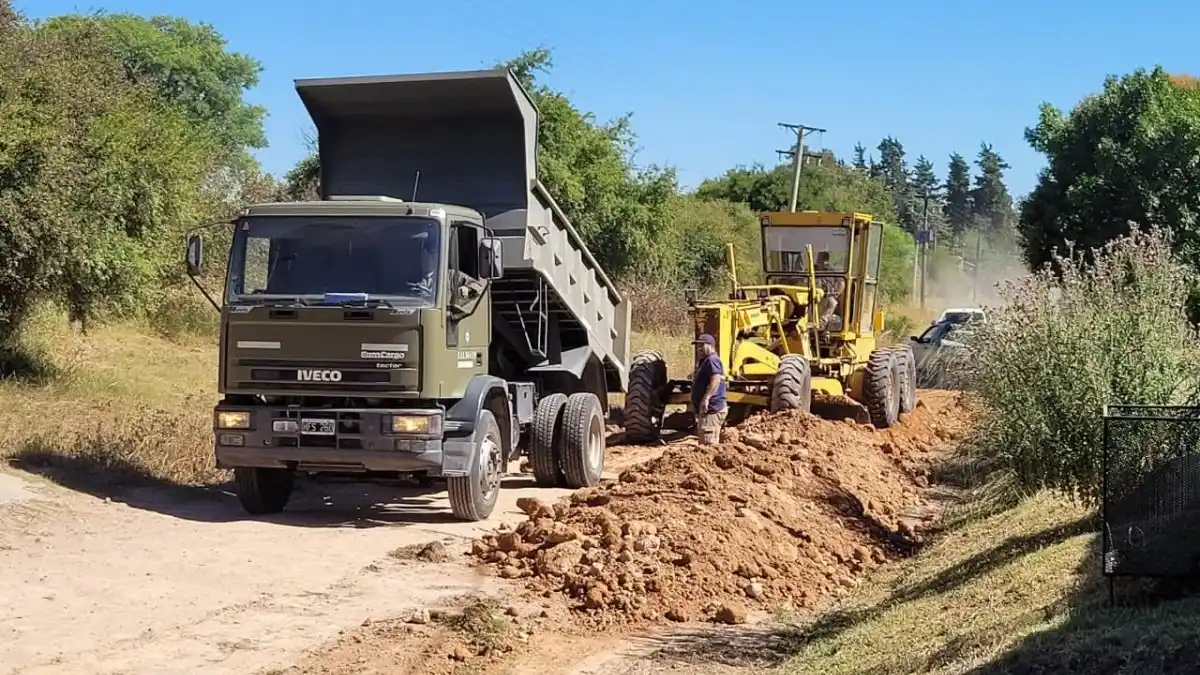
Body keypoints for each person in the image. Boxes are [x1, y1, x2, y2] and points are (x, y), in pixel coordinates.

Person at [690, 334, 728, 445]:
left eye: (702, 345)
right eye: (698, 346)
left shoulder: (712, 360)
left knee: (708, 445)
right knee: (707, 443)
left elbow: (715, 379)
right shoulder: (706, 361)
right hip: (709, 410)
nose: (699, 349)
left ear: (711, 346)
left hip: (712, 409)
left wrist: (706, 398)